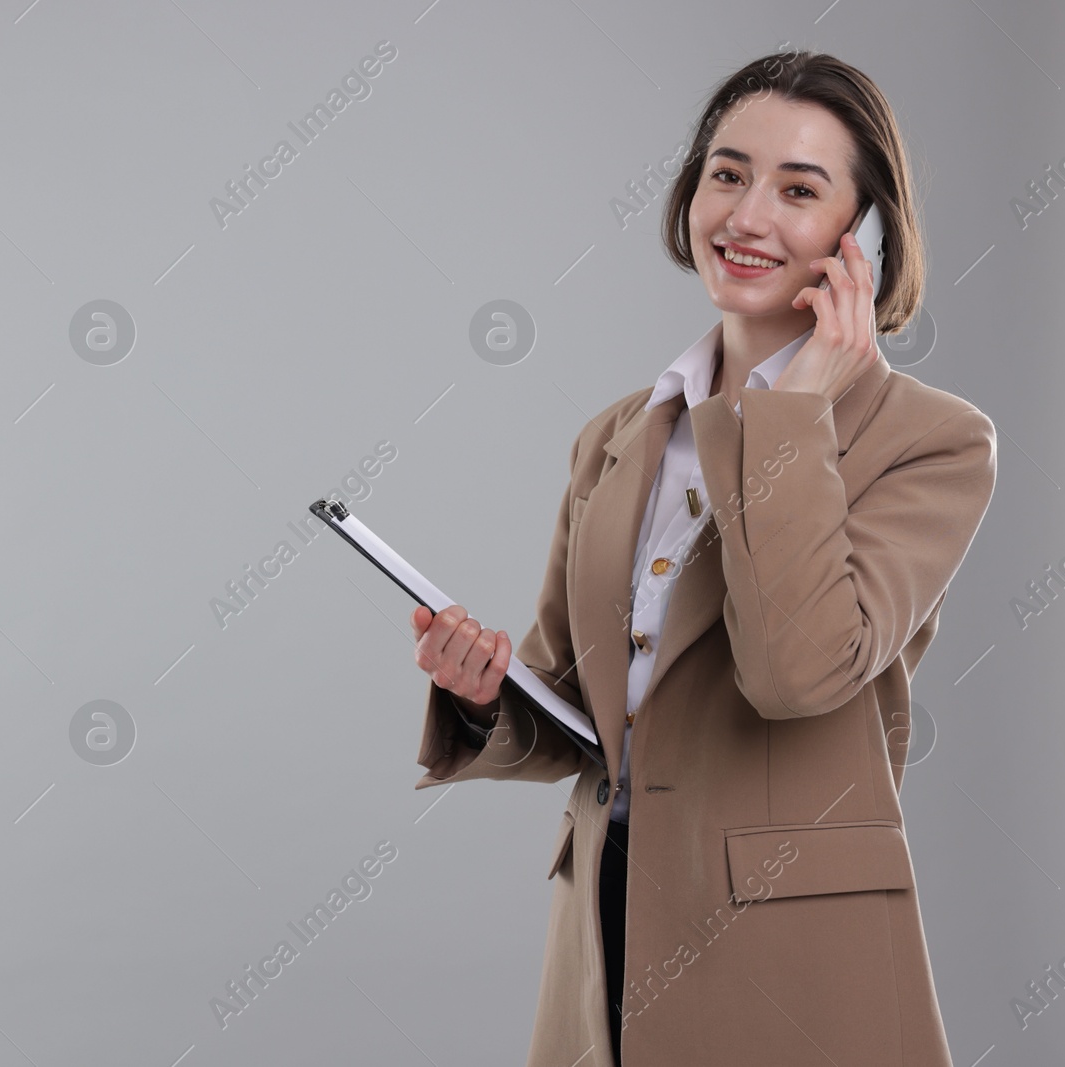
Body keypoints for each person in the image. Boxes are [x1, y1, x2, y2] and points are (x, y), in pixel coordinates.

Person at [408, 50, 995, 1067]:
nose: (746, 214)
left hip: (790, 952)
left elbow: (796, 670)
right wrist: (480, 695)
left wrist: (786, 416)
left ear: (862, 238)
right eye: (726, 174)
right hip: (603, 922)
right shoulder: (616, 435)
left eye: (798, 190)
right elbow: (574, 711)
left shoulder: (931, 440)